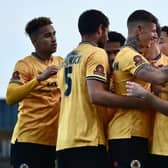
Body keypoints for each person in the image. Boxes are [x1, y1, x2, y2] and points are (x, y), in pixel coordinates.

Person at [56, 9, 147, 168]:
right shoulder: (96, 53)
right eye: (107, 31)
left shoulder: (65, 61)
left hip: (64, 142)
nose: (107, 36)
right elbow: (96, 95)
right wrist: (138, 102)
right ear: (100, 29)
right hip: (87, 140)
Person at [107, 10, 168, 168]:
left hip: (135, 133)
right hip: (129, 133)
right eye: (153, 31)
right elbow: (159, 78)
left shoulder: (133, 55)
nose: (155, 36)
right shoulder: (129, 55)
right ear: (139, 30)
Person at [6, 17, 63, 168]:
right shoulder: (24, 65)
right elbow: (11, 97)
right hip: (28, 141)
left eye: (54, 34)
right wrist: (39, 79)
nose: (54, 39)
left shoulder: (61, 62)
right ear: (34, 41)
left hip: (55, 142)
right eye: (47, 36)